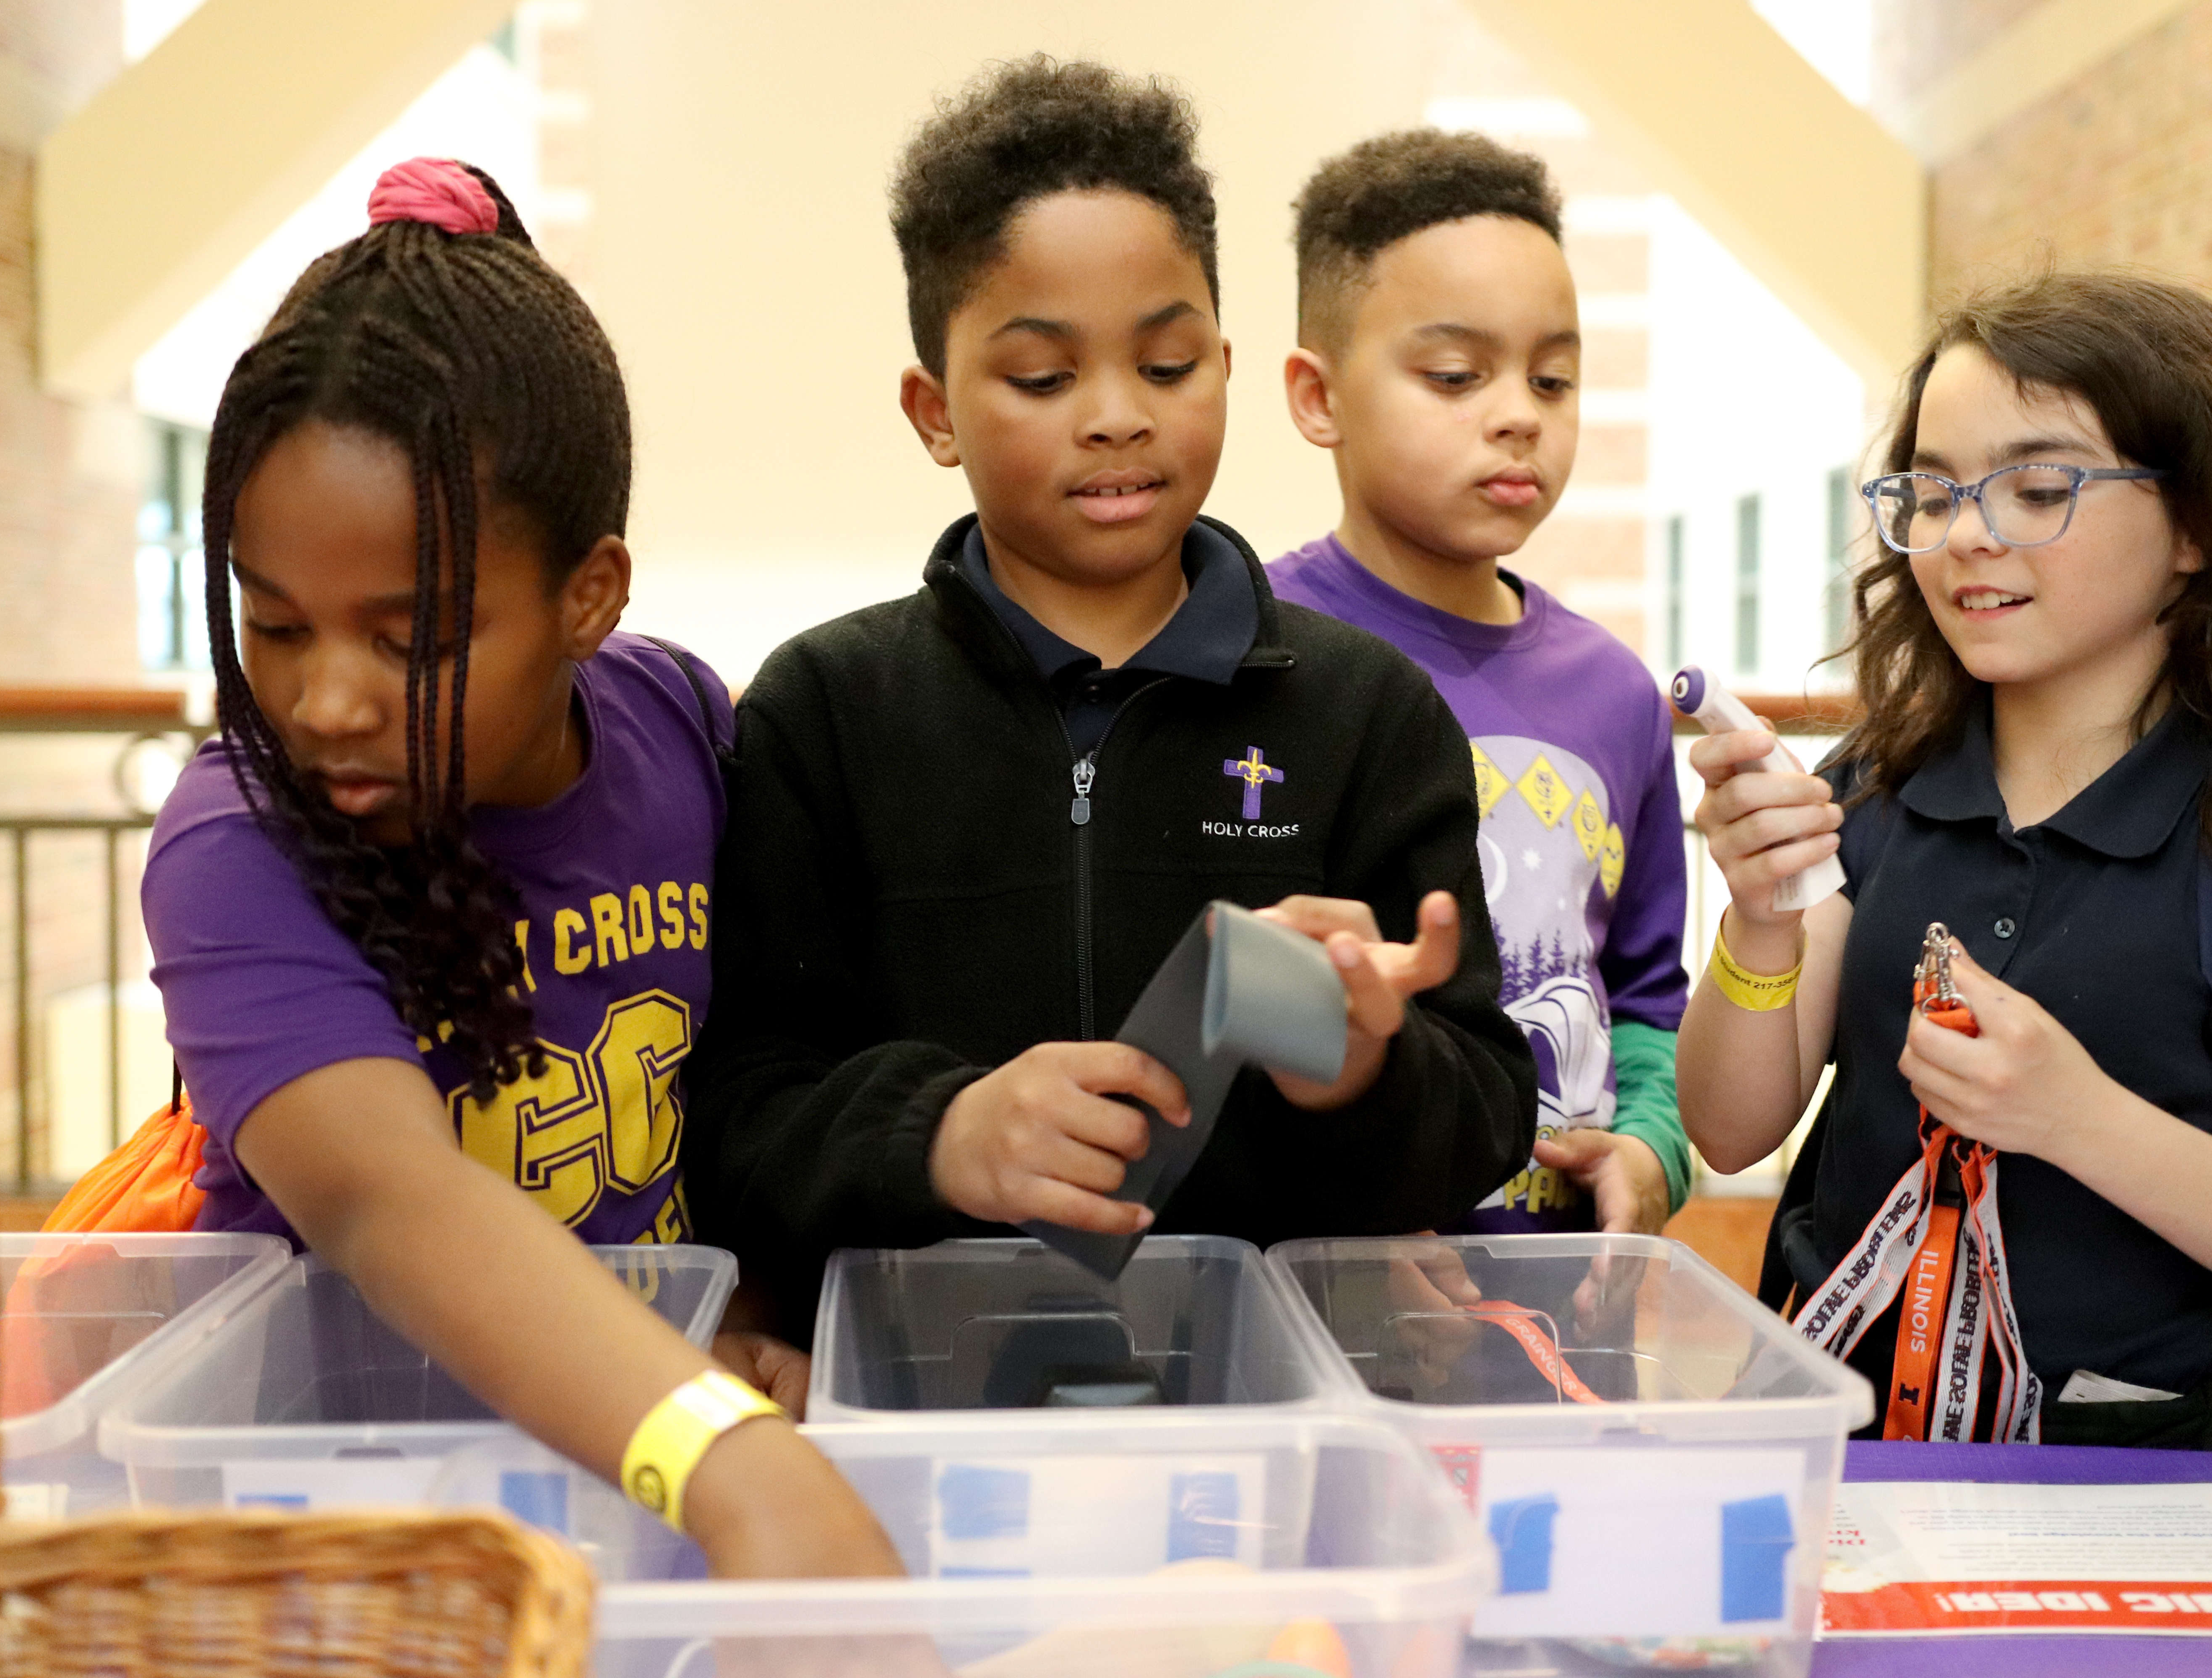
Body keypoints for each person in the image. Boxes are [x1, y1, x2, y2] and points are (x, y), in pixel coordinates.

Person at [683, 59, 1536, 1356]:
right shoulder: (825, 715)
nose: (1119, 417)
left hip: (1274, 1415)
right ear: (936, 413)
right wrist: (948, 1134)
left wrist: (1356, 1061)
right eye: (1041, 379)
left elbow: (1478, 1119)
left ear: (1228, 365)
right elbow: (740, 1116)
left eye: (1169, 361)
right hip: (914, 1406)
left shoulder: (1365, 714)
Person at [143, 159, 900, 1574]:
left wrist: (749, 1321)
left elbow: (756, 1067)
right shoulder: (239, 845)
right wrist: (727, 1460)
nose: (326, 704)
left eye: (409, 637)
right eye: (278, 624)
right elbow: (390, 1202)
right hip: (359, 1521)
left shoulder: (677, 723)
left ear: (589, 597)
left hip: (638, 1470)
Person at [1678, 271, 2212, 1450]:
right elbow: (1728, 1128)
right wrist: (1761, 924)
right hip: (1843, 1463)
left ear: (2200, 526)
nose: (1967, 532)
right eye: (1931, 492)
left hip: (2147, 1494)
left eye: (2038, 486)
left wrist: (2076, 1118)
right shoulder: (1875, 792)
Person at [1269, 129, 1691, 1238]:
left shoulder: (1615, 693)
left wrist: (1653, 1152)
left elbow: (1648, 1005)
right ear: (1318, 398)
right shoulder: (1246, 658)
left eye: (1553, 377)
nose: (1519, 414)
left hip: (1566, 1324)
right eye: (1456, 376)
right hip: (1327, 1300)